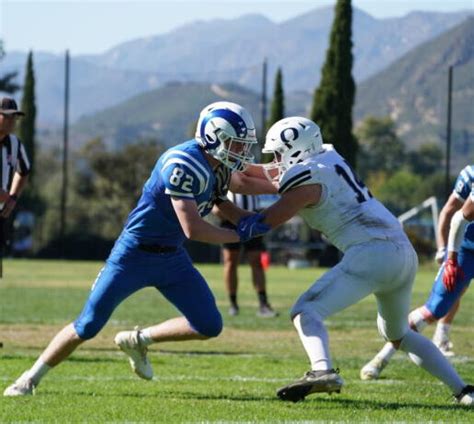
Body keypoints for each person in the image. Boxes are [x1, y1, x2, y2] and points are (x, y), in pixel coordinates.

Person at [3, 101, 275, 396]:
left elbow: (227, 195)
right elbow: (193, 228)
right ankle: (29, 379)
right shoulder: (183, 164)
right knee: (89, 324)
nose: (240, 151)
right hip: (133, 255)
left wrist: (276, 196)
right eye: (235, 143)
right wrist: (240, 235)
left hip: (172, 256)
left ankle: (139, 339)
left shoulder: (217, 165)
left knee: (209, 324)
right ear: (214, 137)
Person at [237, 116, 473, 405]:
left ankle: (321, 370)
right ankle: (463, 391)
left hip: (372, 252)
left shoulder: (306, 181)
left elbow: (263, 221)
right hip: (402, 253)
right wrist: (222, 170)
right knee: (398, 334)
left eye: (277, 154)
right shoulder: (326, 158)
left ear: (295, 150)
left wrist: (219, 204)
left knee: (306, 311)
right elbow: (252, 177)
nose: (274, 160)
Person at [360, 165, 474, 378]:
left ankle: (442, 336)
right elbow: (456, 216)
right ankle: (382, 357)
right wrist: (449, 257)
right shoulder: (471, 175)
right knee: (435, 308)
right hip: (467, 250)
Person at [214, 191, 278, 317]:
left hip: (251, 218)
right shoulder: (225, 174)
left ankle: (263, 304)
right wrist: (219, 211)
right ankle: (233, 304)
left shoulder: (250, 172)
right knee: (231, 261)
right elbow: (215, 204)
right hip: (229, 221)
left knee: (256, 261)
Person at [0, 97, 31, 275]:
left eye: (14, 117)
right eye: (7, 116)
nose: (12, 121)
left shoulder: (14, 143)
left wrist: (12, 198)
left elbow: (24, 171)